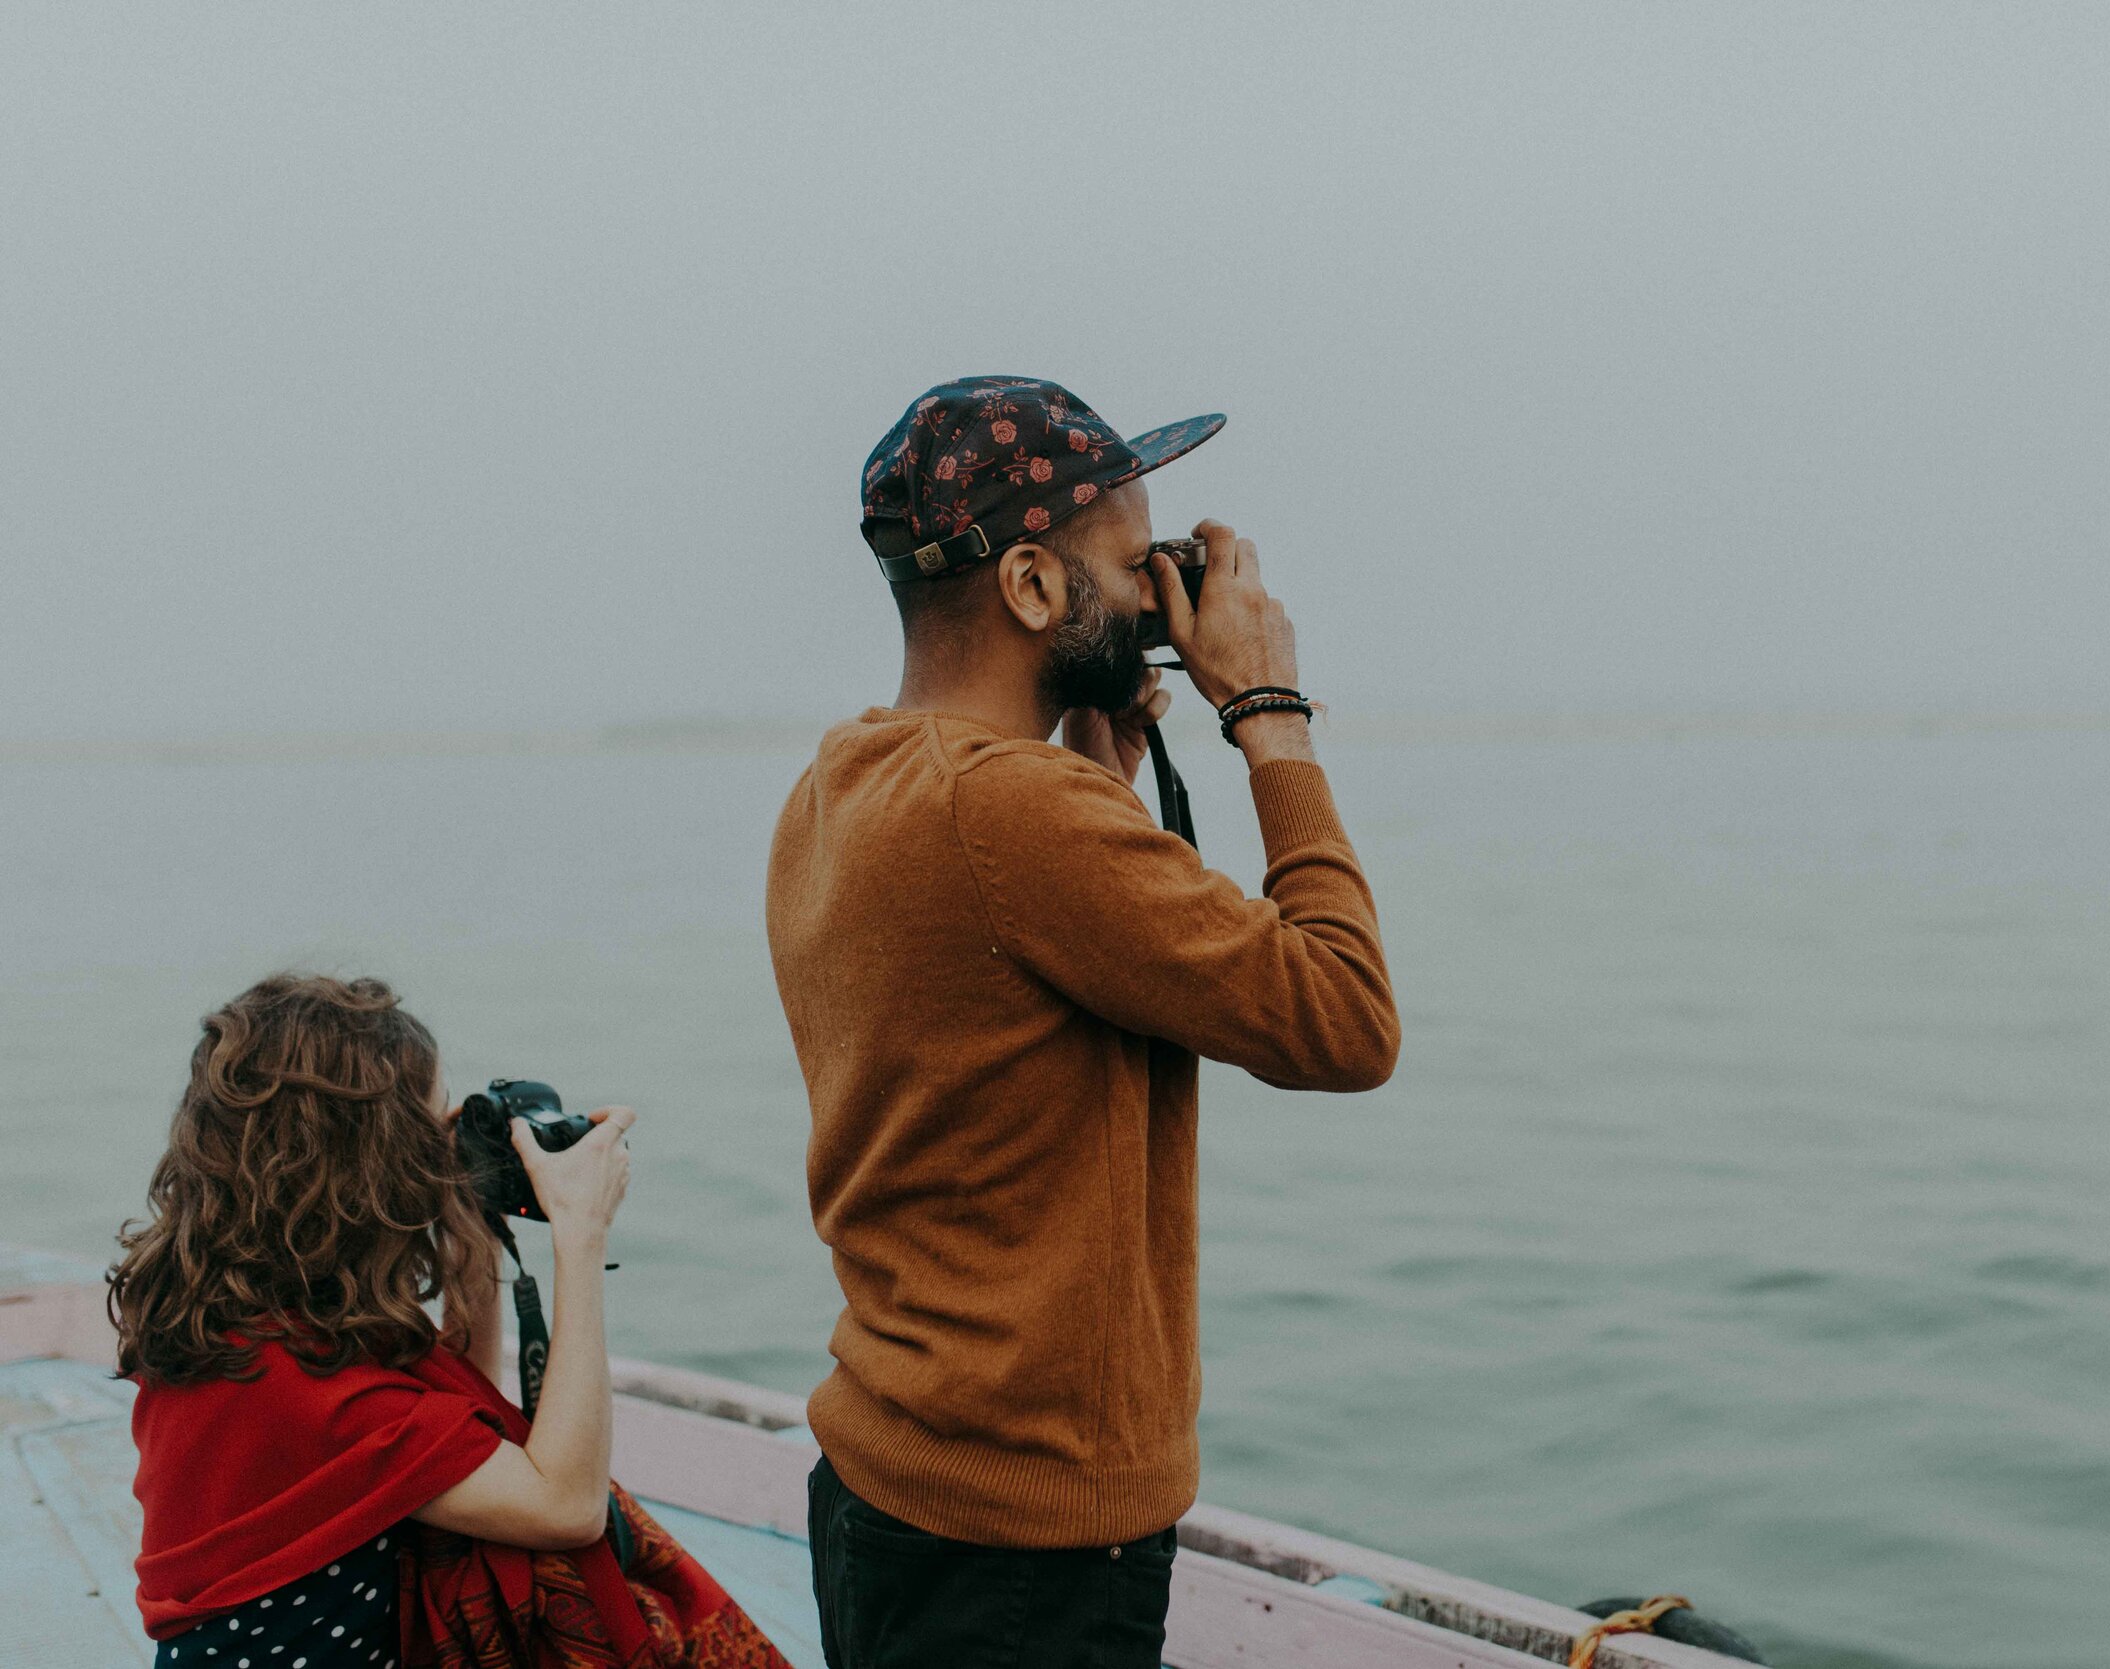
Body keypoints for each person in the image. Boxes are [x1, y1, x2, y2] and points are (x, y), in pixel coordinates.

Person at [767, 376, 1401, 1667]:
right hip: (1026, 1550)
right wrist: (1268, 715)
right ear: (1034, 592)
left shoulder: (841, 788)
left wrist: (1097, 775)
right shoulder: (1019, 819)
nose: (1164, 589)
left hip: (886, 1488)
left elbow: (1001, 1025)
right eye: (1130, 562)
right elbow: (1345, 1016)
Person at [109, 972, 789, 1669]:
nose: (442, 1151)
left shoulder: (248, 1314)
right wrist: (581, 1237)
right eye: (432, 1131)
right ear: (370, 1161)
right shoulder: (298, 1391)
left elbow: (451, 1409)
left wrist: (469, 1227)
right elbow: (566, 1504)